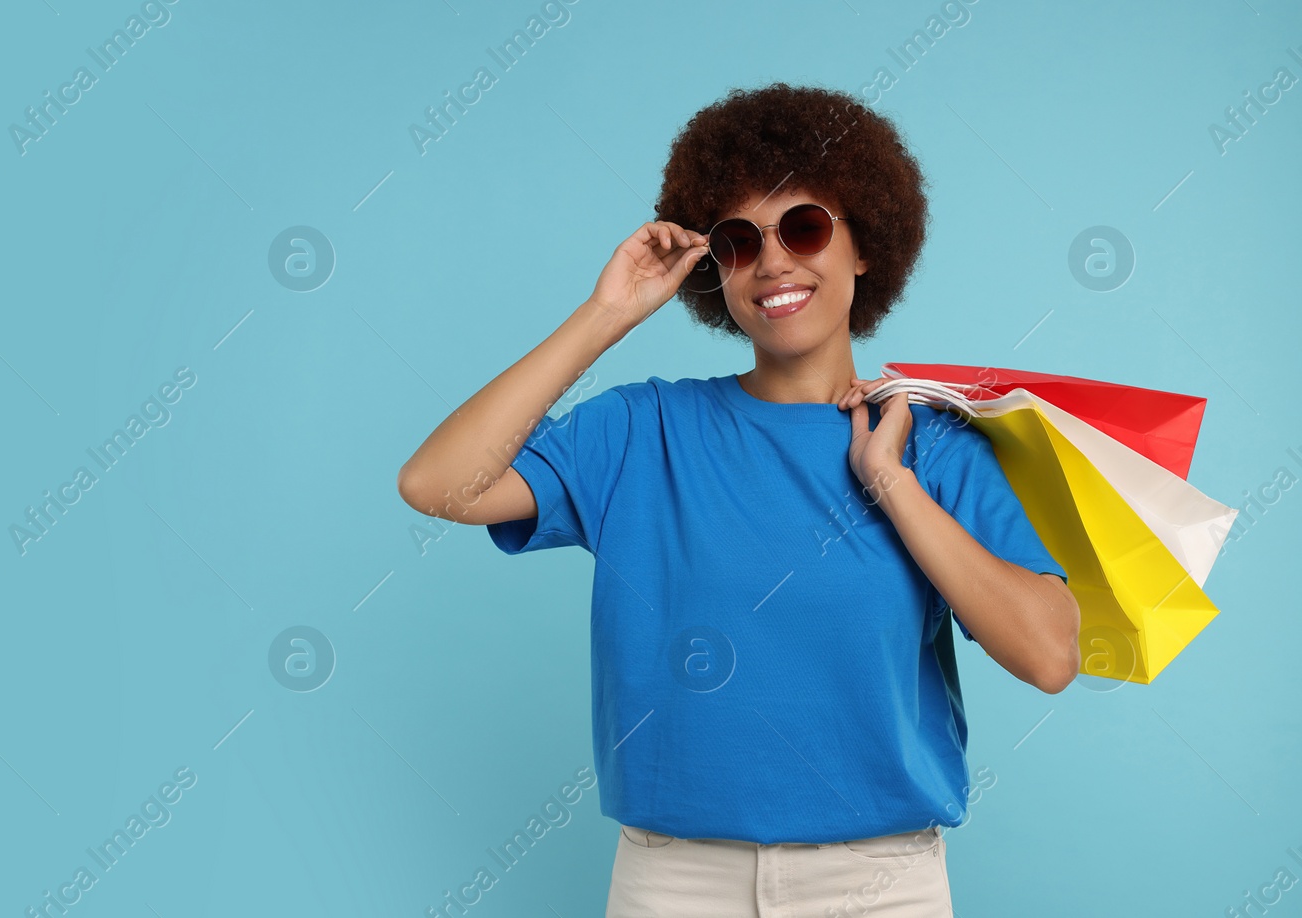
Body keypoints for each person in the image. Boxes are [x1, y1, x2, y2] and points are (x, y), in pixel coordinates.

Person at [396, 82, 1080, 917]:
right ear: (711, 268)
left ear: (865, 246)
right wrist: (606, 314)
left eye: (804, 226)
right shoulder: (641, 430)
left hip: (879, 885)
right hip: (673, 883)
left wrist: (893, 484)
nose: (773, 262)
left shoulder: (931, 446)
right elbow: (437, 484)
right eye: (736, 241)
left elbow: (1049, 656)